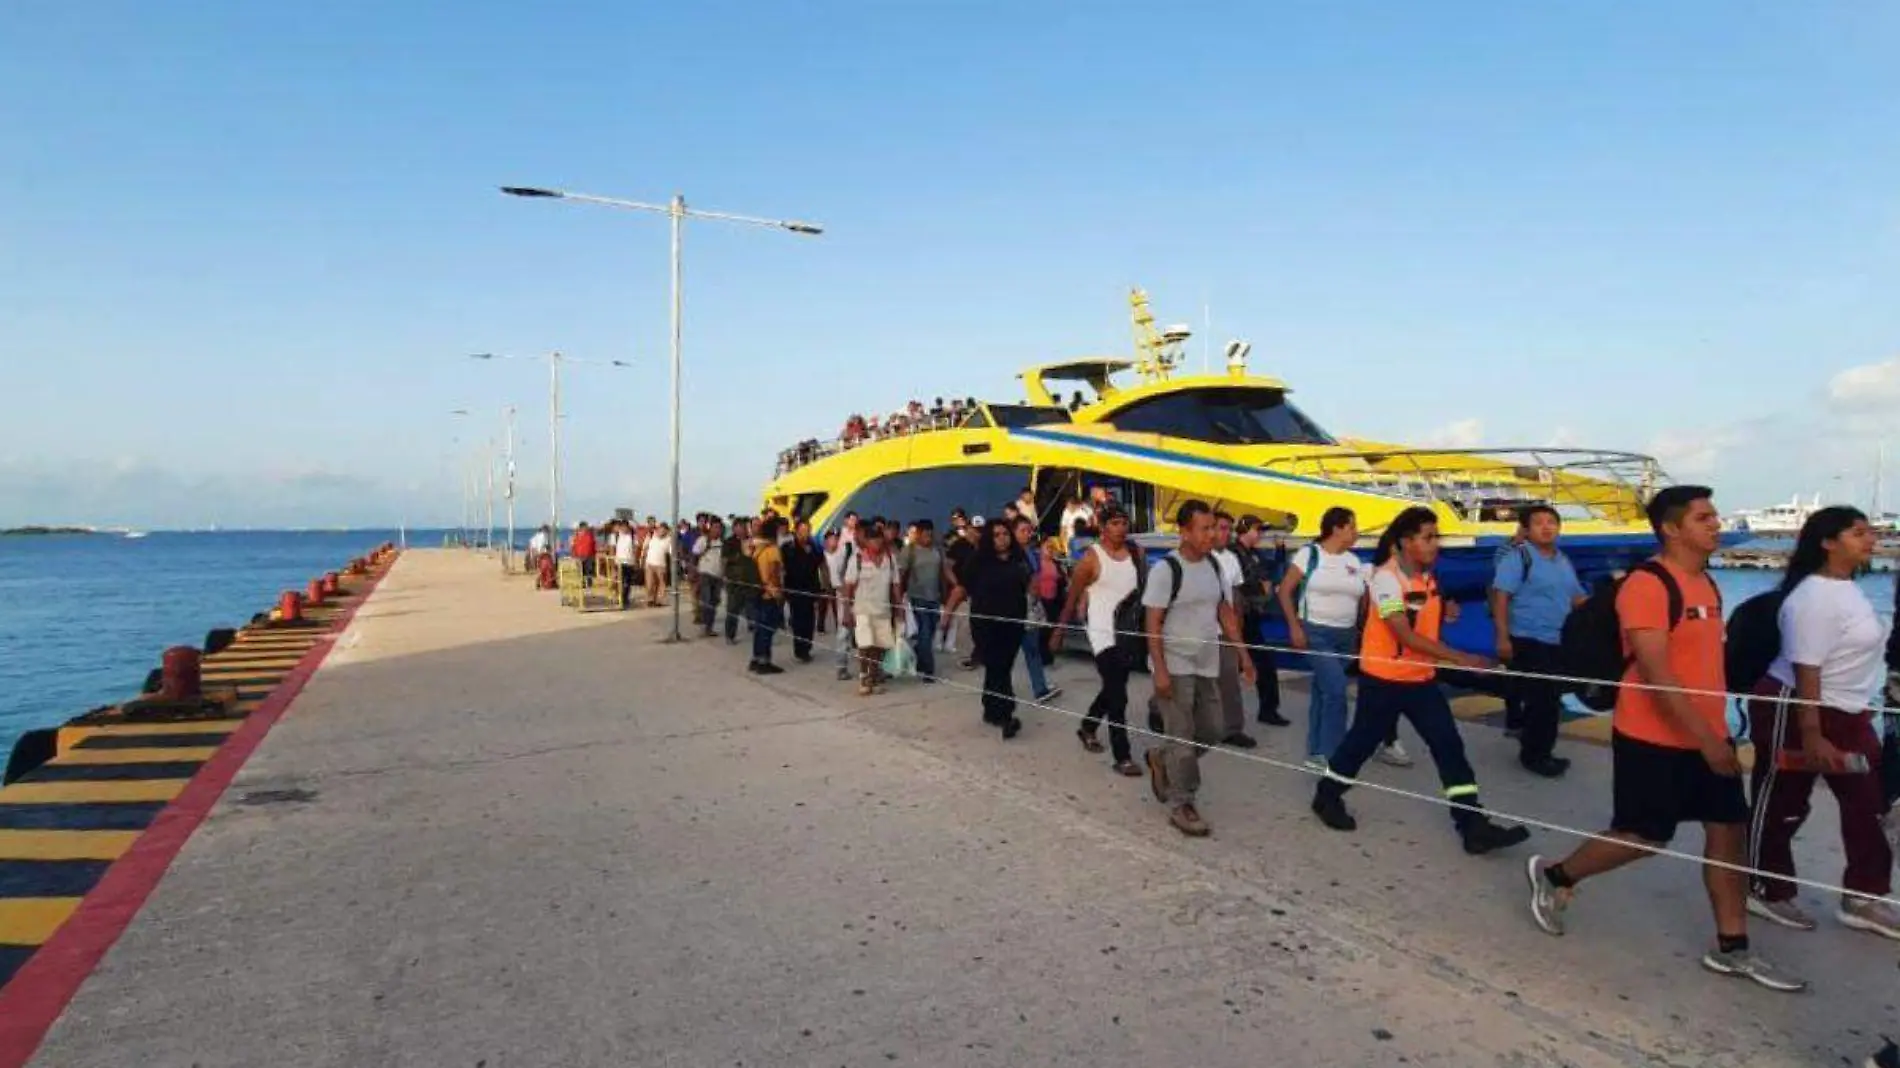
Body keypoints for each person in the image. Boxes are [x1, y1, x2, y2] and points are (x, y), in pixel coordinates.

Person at [1525, 486, 1806, 992]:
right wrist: (1707, 741)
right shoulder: (1648, 585)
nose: (1716, 524)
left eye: (1715, 515)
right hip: (1652, 737)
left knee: (1727, 835)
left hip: (1706, 734)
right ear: (1672, 529)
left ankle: (1733, 948)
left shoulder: (1707, 584)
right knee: (1644, 838)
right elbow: (1657, 676)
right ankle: (1556, 876)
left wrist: (1717, 731)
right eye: (1703, 517)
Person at [1311, 506, 1530, 855]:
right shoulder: (1386, 578)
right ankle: (1327, 796)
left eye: (1435, 537)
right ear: (1405, 541)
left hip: (1420, 680)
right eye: (1427, 537)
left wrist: (1446, 610)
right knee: (1360, 745)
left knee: (1448, 746)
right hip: (1384, 681)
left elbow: (1420, 616)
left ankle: (1472, 825)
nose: (1434, 544)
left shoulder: (1427, 578)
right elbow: (1403, 632)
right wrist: (1463, 659)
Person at [1746, 506, 1899, 938]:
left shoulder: (1848, 588)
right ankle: (1764, 888)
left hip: (1848, 713)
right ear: (1828, 543)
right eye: (1857, 533)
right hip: (1797, 710)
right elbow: (1806, 669)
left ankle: (1864, 896)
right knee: (1782, 803)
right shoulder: (1811, 598)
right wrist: (1812, 733)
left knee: (1870, 804)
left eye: (1870, 532)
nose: (1870, 539)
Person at [1142, 500, 1251, 836]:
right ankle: (1182, 803)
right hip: (1174, 662)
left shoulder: (1215, 566)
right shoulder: (1166, 570)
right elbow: (1152, 623)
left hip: (1207, 661)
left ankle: (1162, 758)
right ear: (1184, 531)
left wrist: (1244, 655)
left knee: (1214, 730)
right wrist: (1159, 669)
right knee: (1183, 736)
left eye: (1213, 528)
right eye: (1203, 529)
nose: (1211, 536)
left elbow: (1225, 613)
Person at [1490, 504, 1588, 778]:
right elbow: (1501, 597)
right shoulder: (1518, 557)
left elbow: (1576, 597)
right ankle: (1535, 756)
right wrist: (1502, 637)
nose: (1546, 527)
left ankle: (1540, 749)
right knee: (1542, 701)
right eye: (1538, 523)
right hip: (1529, 639)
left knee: (1549, 699)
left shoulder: (1562, 560)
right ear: (1527, 529)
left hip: (1558, 640)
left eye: (1551, 522)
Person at [1052, 505, 1145, 776]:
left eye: (1124, 522)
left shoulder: (1137, 553)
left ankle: (1088, 726)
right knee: (1119, 695)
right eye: (1115, 523)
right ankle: (1123, 756)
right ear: (1102, 527)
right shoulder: (1091, 559)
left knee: (1114, 686)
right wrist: (1058, 631)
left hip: (1128, 632)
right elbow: (1072, 598)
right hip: (1102, 632)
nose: (1121, 528)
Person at [1278, 507, 1366, 771]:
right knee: (1337, 690)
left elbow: (1361, 598)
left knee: (1323, 691)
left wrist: (1360, 630)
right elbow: (1285, 591)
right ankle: (1335, 755)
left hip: (1346, 635)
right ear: (1337, 528)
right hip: (1316, 632)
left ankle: (1315, 752)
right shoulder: (1309, 554)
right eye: (1352, 526)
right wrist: (1294, 627)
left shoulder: (1354, 561)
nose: (1356, 532)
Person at [944, 518, 1031, 738]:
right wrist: (947, 614)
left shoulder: (1018, 558)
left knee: (999, 668)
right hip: (986, 624)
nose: (1002, 538)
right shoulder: (978, 561)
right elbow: (962, 588)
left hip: (1013, 623)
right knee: (997, 666)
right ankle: (1005, 714)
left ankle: (990, 708)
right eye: (997, 535)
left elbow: (1029, 584)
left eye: (1005, 534)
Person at [1208, 512, 1258, 749]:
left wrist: (1238, 626)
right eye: (1221, 528)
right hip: (1198, 629)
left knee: (1229, 681)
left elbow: (1235, 595)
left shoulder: (1230, 558)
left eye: (1229, 529)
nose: (1225, 533)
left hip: (1225, 628)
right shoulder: (1200, 556)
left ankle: (1232, 729)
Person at [1235, 516, 1289, 729]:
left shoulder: (1253, 554)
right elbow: (1237, 583)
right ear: (1245, 529)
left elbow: (1269, 568)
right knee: (1260, 664)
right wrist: (1261, 588)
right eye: (1258, 530)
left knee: (1264, 664)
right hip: (1240, 616)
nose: (1260, 534)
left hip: (1252, 615)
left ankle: (1268, 709)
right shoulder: (1234, 553)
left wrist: (1280, 551)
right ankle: (1266, 710)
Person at [844, 526, 902, 696]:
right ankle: (863, 677)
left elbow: (895, 585)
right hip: (863, 610)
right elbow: (848, 585)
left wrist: (899, 608)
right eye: (873, 539)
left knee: (879, 645)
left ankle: (873, 676)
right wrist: (847, 610)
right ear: (867, 541)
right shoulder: (857, 559)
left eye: (879, 539)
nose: (877, 542)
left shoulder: (890, 559)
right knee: (865, 644)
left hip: (883, 610)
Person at [1013, 517, 1062, 702]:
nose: (1027, 534)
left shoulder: (1031, 552)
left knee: (1032, 647)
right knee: (1020, 649)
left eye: (1029, 530)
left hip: (1033, 603)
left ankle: (1040, 687)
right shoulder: (1013, 555)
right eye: (1023, 530)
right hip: (1018, 604)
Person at [898, 520, 946, 681]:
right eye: (925, 535)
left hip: (935, 597)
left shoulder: (937, 549)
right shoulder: (909, 551)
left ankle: (919, 654)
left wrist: (955, 585)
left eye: (930, 535)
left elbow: (944, 570)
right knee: (925, 631)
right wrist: (898, 597)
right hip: (917, 596)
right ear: (918, 534)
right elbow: (901, 575)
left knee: (930, 632)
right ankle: (928, 670)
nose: (928, 538)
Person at [781, 521, 827, 663]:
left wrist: (823, 586)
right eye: (802, 530)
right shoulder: (787, 547)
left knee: (809, 621)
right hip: (794, 589)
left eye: (807, 530)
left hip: (810, 588)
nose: (805, 533)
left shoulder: (814, 547)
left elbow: (821, 564)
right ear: (796, 531)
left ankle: (807, 648)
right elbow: (782, 568)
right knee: (798, 621)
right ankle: (800, 650)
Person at [748, 518, 787, 675]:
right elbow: (775, 572)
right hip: (769, 592)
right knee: (767, 628)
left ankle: (756, 659)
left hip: (758, 590)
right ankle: (765, 661)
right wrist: (779, 592)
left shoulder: (758, 549)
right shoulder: (773, 550)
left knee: (759, 628)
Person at [943, 516, 980, 665]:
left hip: (978, 591)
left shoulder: (983, 546)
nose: (977, 533)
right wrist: (956, 583)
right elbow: (947, 567)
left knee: (976, 625)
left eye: (980, 530)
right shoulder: (959, 545)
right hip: (962, 588)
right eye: (975, 529)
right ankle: (964, 656)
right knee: (963, 625)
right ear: (969, 528)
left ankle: (976, 655)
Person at [826, 526, 858, 681]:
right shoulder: (844, 552)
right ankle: (841, 666)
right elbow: (835, 578)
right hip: (845, 597)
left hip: (862, 598)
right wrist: (846, 595)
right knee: (844, 632)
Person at [722, 518, 755, 646]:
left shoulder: (752, 541)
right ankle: (730, 635)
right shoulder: (729, 542)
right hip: (734, 581)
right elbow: (724, 560)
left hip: (750, 580)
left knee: (752, 605)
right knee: (733, 609)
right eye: (741, 527)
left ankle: (753, 626)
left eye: (746, 527)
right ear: (735, 528)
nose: (744, 530)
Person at [695, 518, 726, 635]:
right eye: (715, 527)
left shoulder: (722, 543)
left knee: (714, 601)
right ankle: (706, 625)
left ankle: (709, 626)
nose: (717, 530)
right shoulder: (703, 540)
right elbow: (695, 554)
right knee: (707, 601)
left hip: (718, 576)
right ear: (710, 528)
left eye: (719, 528)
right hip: (705, 574)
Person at [643, 519, 672, 608]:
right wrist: (642, 560)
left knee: (661, 583)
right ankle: (650, 599)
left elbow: (671, 553)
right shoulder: (651, 536)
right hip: (649, 563)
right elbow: (645, 548)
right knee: (650, 583)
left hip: (661, 565)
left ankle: (659, 600)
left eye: (664, 530)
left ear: (667, 531)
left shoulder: (669, 539)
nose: (662, 531)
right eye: (660, 529)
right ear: (658, 529)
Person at [614, 518, 640, 610]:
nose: (624, 528)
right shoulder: (617, 535)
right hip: (619, 562)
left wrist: (636, 561)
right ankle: (619, 597)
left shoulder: (633, 536)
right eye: (622, 526)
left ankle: (625, 598)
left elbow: (636, 549)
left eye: (626, 526)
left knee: (627, 582)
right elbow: (612, 548)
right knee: (618, 581)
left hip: (629, 562)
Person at [571, 522, 597, 586]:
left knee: (589, 571)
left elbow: (593, 545)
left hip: (589, 556)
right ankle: (582, 583)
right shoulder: (577, 536)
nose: (585, 529)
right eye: (584, 527)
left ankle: (589, 583)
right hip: (580, 556)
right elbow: (574, 546)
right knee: (581, 571)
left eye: (586, 527)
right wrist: (574, 555)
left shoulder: (590, 535)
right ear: (581, 528)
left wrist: (594, 555)